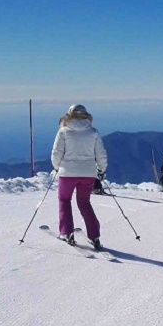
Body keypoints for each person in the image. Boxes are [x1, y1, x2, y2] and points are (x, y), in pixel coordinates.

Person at [50, 104, 108, 251]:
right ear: (86, 115)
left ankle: (67, 232)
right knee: (84, 203)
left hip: (67, 173)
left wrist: (57, 167)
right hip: (88, 173)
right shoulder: (93, 132)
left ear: (69, 115)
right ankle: (94, 235)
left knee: (64, 200)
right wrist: (101, 170)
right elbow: (100, 154)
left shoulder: (63, 131)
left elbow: (56, 153)